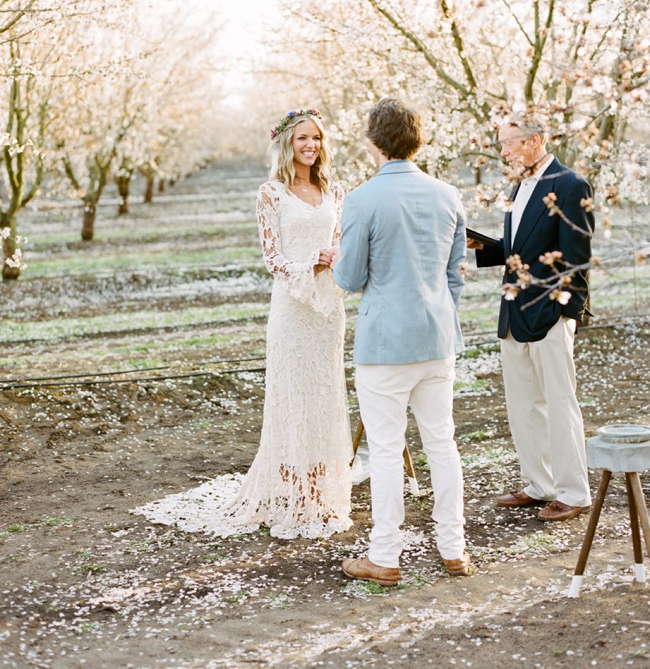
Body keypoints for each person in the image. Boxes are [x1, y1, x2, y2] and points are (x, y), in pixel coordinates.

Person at [134, 109, 352, 540]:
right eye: (302, 138)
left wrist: (337, 258)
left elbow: (342, 241)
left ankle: (323, 493)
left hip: (328, 309)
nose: (311, 145)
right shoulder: (270, 193)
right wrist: (313, 260)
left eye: (317, 138)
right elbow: (273, 259)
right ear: (287, 144)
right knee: (292, 397)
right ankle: (295, 494)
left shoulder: (335, 189)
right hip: (292, 309)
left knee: (325, 395)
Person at [333, 98, 469, 587]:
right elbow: (455, 275)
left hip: (384, 343)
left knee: (387, 451)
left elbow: (349, 277)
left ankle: (386, 556)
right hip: (437, 337)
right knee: (442, 442)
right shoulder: (448, 195)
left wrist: (336, 256)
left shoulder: (362, 199)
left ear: (373, 141)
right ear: (419, 139)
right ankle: (454, 547)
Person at [470, 110, 594, 522]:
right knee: (523, 405)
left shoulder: (571, 184)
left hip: (550, 316)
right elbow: (520, 246)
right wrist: (481, 248)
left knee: (560, 404)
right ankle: (540, 484)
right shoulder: (518, 184)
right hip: (513, 313)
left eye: (509, 142)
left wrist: (566, 317)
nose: (503, 151)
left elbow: (577, 259)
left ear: (535, 140)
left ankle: (574, 492)